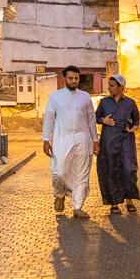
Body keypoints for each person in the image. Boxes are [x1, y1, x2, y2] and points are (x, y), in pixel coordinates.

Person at [42, 65, 97, 218]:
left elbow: (91, 120)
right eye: (71, 78)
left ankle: (77, 207)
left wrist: (95, 140)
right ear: (64, 79)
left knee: (82, 174)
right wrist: (46, 140)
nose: (74, 81)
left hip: (82, 139)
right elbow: (49, 119)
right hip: (62, 139)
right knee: (59, 172)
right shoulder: (55, 96)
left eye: (76, 78)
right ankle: (59, 194)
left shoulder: (85, 96)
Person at [94, 73, 140, 214]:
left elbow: (136, 118)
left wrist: (134, 127)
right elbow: (95, 117)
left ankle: (129, 200)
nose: (109, 88)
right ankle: (114, 203)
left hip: (126, 139)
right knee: (111, 169)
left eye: (112, 86)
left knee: (129, 169)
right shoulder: (104, 103)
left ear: (121, 87)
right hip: (109, 138)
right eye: (109, 85)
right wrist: (103, 121)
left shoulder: (130, 103)